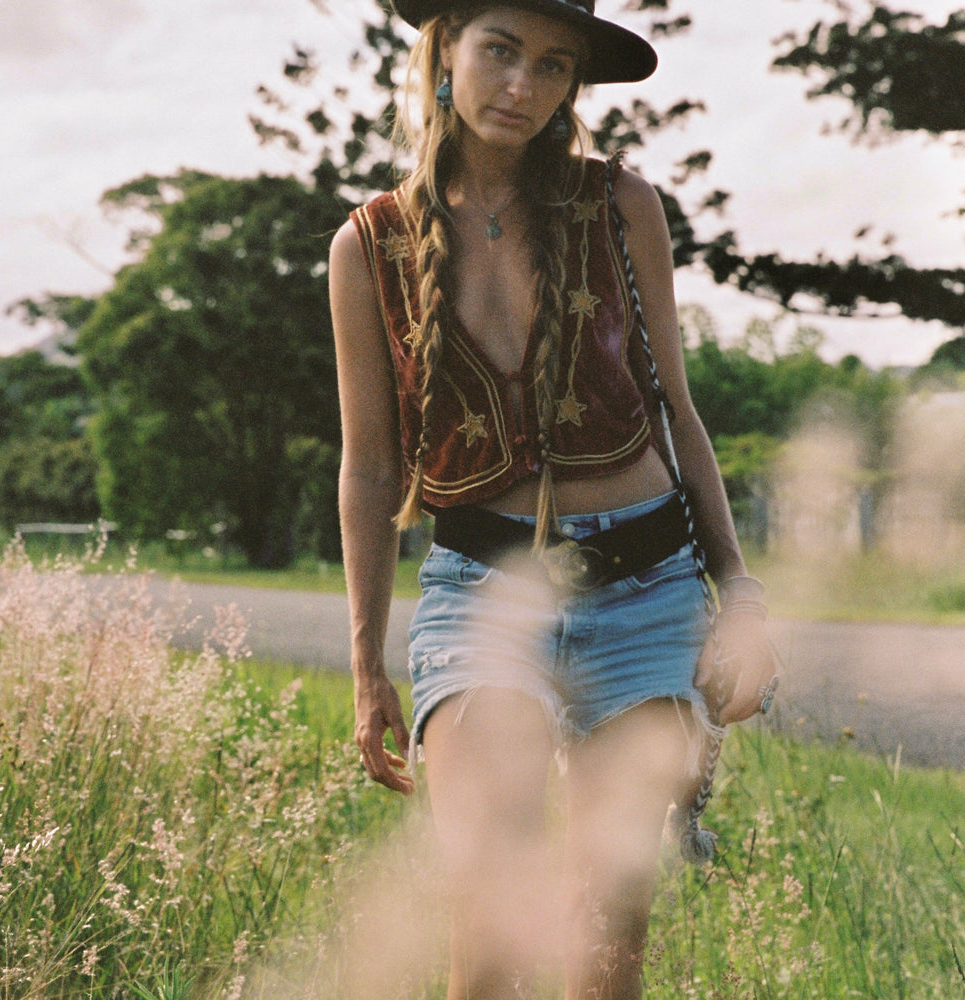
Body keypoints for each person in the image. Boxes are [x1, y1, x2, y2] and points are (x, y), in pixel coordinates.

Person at [328, 2, 778, 996]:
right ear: (445, 47)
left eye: (553, 65)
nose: (523, 86)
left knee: (603, 949)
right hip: (481, 595)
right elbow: (368, 469)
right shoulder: (370, 246)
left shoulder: (618, 205)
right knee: (489, 941)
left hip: (646, 588)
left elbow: (675, 408)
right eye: (500, 50)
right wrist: (365, 666)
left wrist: (738, 594)